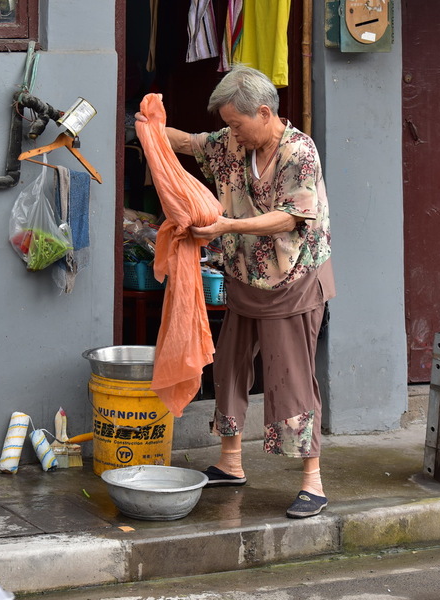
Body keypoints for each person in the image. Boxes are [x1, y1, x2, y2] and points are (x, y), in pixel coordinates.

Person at [142, 65, 335, 519]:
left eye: (236, 123)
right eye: (228, 124)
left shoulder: (299, 152)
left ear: (264, 113)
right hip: (244, 277)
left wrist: (225, 226)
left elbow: (290, 216)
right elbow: (190, 143)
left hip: (293, 279)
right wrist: (148, 128)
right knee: (228, 367)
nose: (231, 132)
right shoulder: (233, 144)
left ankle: (312, 481)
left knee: (291, 378)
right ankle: (230, 462)